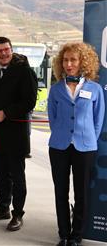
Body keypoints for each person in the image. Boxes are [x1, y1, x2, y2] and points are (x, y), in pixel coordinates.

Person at [48, 42, 104, 246]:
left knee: (82, 193)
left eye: (73, 60)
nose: (68, 64)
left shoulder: (95, 89)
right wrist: (63, 135)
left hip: (85, 148)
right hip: (59, 146)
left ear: (83, 62)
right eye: (65, 60)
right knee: (60, 191)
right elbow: (53, 120)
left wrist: (87, 138)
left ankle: (76, 236)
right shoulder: (56, 89)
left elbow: (98, 121)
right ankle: (63, 234)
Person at [0, 36, 37, 231]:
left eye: (7, 49)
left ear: (11, 50)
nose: (4, 53)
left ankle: (18, 213)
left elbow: (29, 101)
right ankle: (3, 207)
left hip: (16, 134)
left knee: (17, 175)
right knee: (0, 173)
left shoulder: (25, 71)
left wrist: (6, 113)